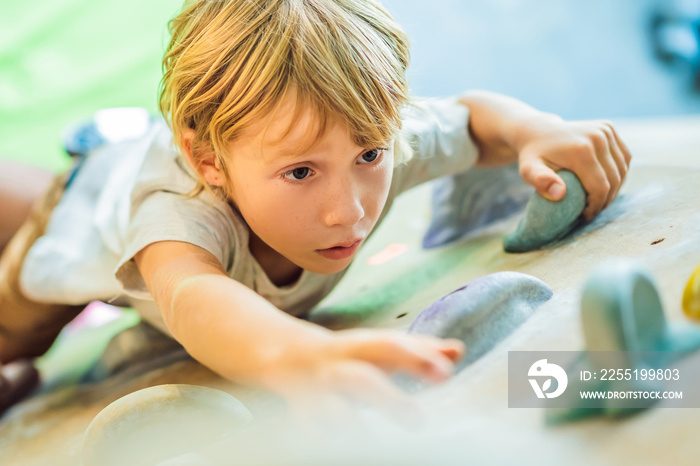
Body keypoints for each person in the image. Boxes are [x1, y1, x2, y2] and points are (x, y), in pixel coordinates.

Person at [0, 0, 630, 422]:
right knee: (19, 330)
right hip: (83, 212)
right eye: (300, 173)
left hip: (174, 150)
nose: (348, 209)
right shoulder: (178, 215)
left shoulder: (362, 137)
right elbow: (192, 298)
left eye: (369, 156)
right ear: (210, 161)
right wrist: (288, 352)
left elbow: (471, 119)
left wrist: (537, 131)